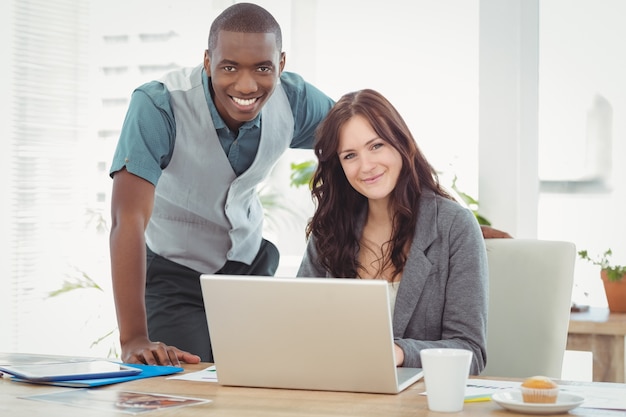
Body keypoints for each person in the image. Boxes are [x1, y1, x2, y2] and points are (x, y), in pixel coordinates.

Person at [109, 3, 335, 366]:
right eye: (229, 67)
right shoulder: (158, 105)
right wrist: (134, 337)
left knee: (261, 383)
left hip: (247, 269)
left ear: (280, 63)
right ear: (207, 61)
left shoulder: (294, 100)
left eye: (262, 68)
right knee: (181, 388)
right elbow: (127, 220)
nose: (246, 86)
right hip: (174, 272)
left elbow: (364, 135)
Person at [297, 89, 488, 374]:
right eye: (350, 155)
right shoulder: (330, 228)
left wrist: (398, 352)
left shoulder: (454, 227)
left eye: (376, 146)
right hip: (339, 394)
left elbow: (470, 351)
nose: (366, 166)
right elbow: (299, 328)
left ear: (400, 143)